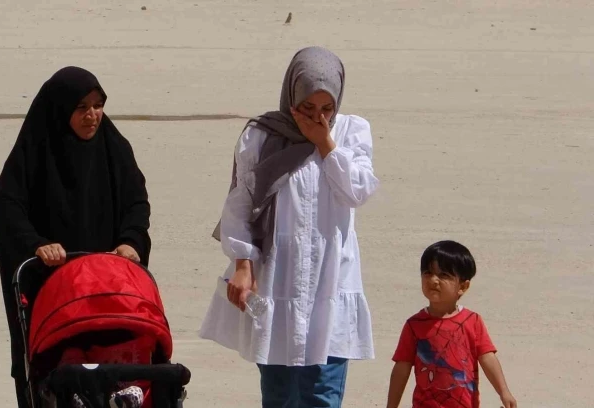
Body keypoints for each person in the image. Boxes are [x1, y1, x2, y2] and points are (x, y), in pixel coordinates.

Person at [200, 46, 380, 407]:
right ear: (291, 96)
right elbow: (241, 202)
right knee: (279, 394)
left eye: (327, 108)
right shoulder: (261, 135)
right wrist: (243, 263)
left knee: (323, 392)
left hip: (330, 280)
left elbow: (357, 191)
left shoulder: (351, 131)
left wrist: (325, 143)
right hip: (277, 279)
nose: (318, 118)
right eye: (307, 108)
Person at [0, 66, 151, 407]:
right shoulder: (36, 151)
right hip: (52, 289)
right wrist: (37, 244)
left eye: (98, 105)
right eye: (81, 108)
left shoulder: (114, 148)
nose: (92, 116)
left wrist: (131, 241)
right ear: (60, 110)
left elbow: (136, 203)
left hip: (107, 284)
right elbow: (8, 206)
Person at [386, 240, 517, 408]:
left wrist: (504, 391)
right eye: (428, 273)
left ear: (463, 286)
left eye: (444, 275)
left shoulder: (472, 321)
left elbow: (487, 358)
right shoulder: (414, 325)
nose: (433, 280)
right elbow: (401, 368)